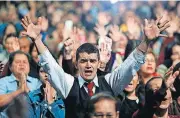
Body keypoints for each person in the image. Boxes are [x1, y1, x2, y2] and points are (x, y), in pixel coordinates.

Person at [21, 15, 170, 118]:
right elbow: (50, 65)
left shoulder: (110, 82)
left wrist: (146, 41)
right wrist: (37, 40)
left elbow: (130, 66)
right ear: (76, 64)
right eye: (83, 61)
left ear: (99, 63)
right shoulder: (68, 84)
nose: (88, 65)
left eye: (92, 61)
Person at [0, 50, 41, 117]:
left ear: (29, 66)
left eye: (25, 62)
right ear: (10, 67)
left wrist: (26, 89)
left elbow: (40, 104)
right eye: (18, 62)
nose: (22, 64)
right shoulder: (3, 82)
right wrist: (19, 91)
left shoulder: (36, 82)